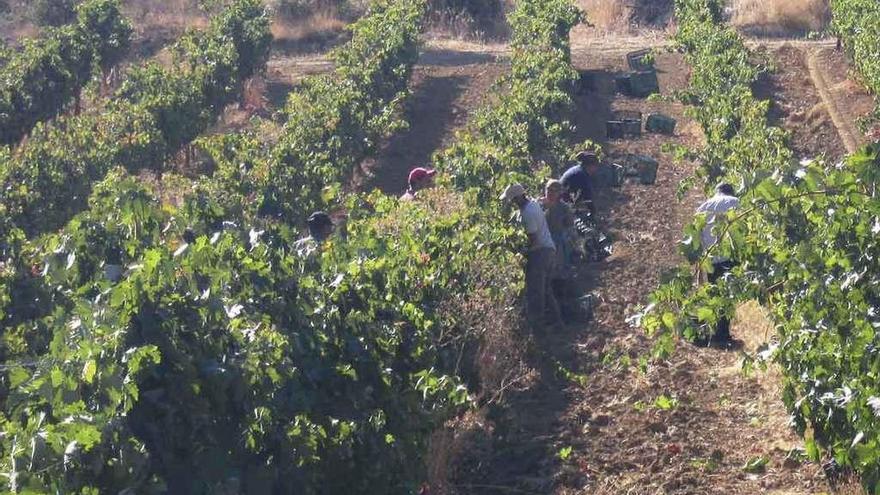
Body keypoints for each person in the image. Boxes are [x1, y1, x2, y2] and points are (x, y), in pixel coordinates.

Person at [500, 183, 563, 330]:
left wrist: (521, 253)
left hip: (540, 253)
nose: (512, 203)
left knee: (536, 293)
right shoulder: (534, 205)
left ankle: (539, 329)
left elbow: (534, 241)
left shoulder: (527, 213)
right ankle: (558, 323)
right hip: (549, 250)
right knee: (546, 290)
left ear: (518, 198)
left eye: (513, 200)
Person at [695, 182, 740, 344]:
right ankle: (722, 335)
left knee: (716, 295)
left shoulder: (702, 208)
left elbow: (697, 238)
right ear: (730, 191)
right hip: (730, 256)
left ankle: (717, 333)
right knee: (727, 295)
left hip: (712, 259)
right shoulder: (736, 202)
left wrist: (700, 264)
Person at [542, 179, 574, 276]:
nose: (550, 193)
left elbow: (569, 224)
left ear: (559, 193)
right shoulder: (539, 205)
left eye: (554, 191)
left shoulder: (564, 208)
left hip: (557, 240)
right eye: (549, 190)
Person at [560, 151, 601, 215]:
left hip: (563, 201)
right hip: (562, 204)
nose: (596, 168)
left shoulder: (578, 170)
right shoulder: (582, 175)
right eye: (596, 165)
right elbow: (588, 197)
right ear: (590, 165)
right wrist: (594, 213)